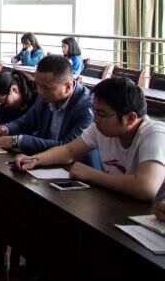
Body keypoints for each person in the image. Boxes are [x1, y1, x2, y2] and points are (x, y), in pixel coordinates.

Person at [13, 77, 165, 201]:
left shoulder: (154, 134)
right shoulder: (101, 128)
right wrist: (35, 159)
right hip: (118, 203)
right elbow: (69, 151)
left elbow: (146, 188)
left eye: (102, 114)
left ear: (130, 118)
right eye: (95, 112)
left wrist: (90, 174)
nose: (95, 119)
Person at [0, 55, 101, 169]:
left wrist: (17, 141)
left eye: (46, 88)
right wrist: (6, 129)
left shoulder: (88, 108)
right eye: (37, 85)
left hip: (78, 170)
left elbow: (67, 147)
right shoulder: (45, 97)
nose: (39, 91)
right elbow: (27, 122)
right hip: (45, 163)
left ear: (67, 87)